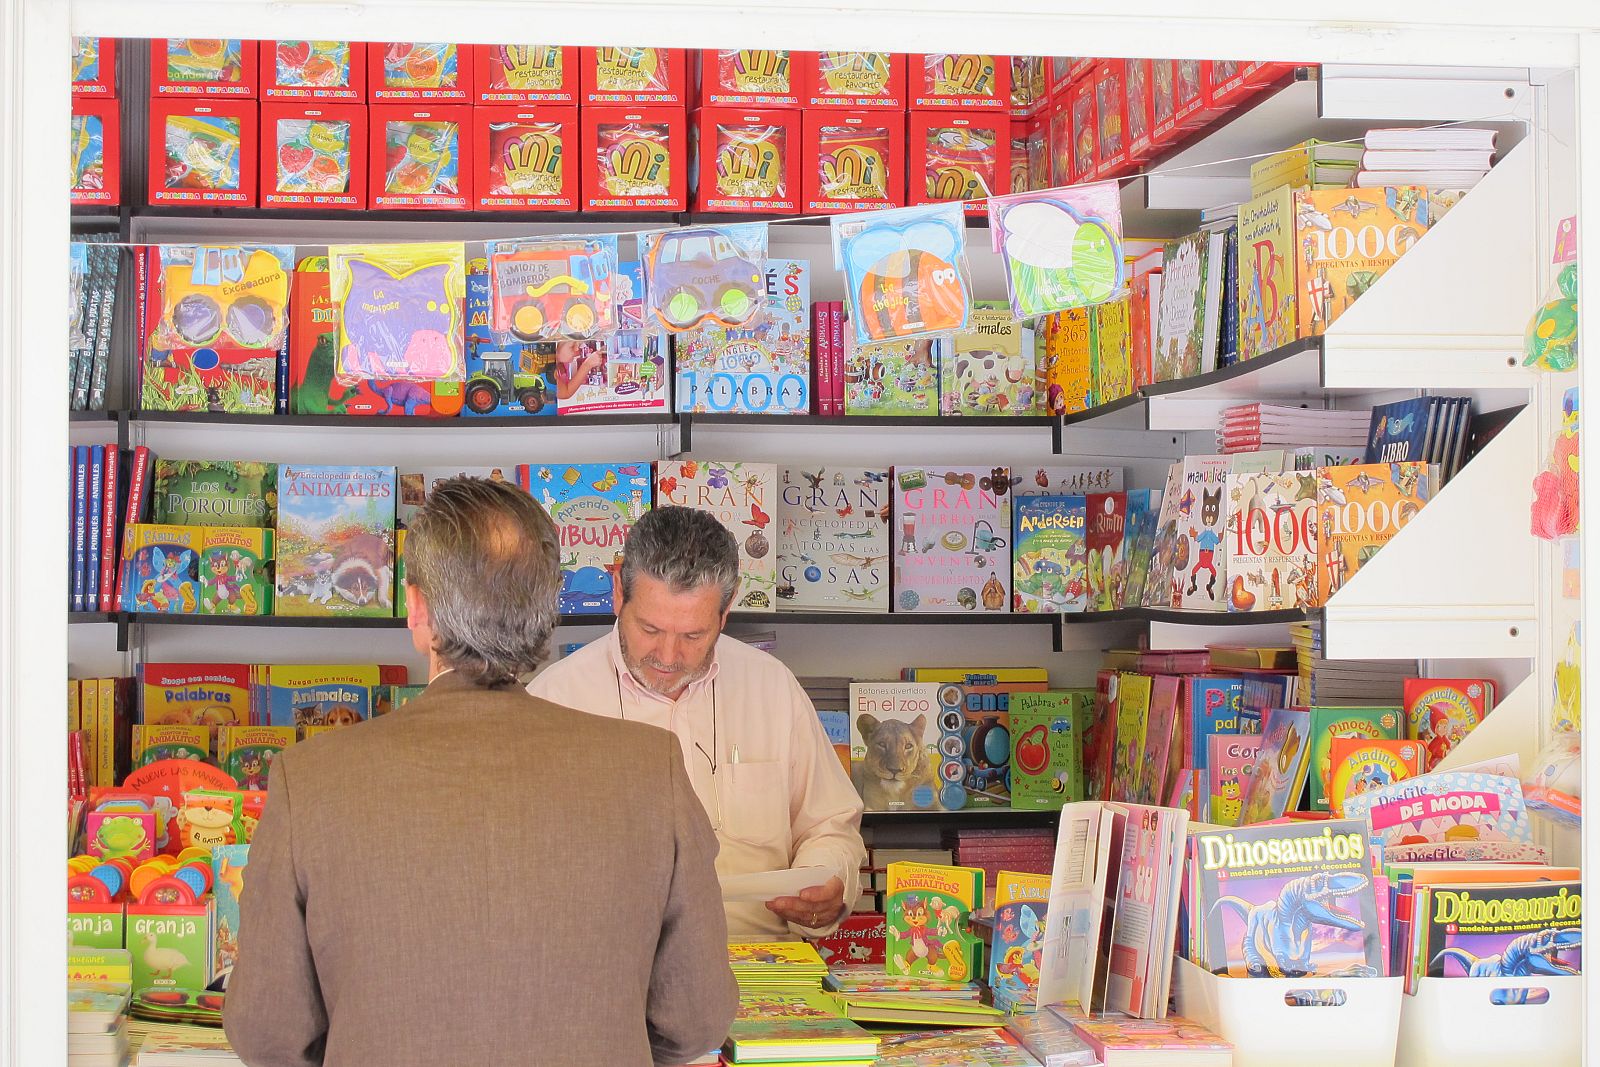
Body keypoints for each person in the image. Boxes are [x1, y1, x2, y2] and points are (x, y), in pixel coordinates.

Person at [225, 479, 736, 1067]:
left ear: (416, 609)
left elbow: (267, 1032)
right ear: (547, 613)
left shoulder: (308, 780)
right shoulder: (652, 770)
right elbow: (696, 1019)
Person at [529, 506, 866, 939]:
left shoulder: (771, 687)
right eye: (649, 629)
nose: (668, 657)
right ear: (618, 593)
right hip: (605, 976)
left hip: (754, 966)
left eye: (693, 636)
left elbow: (829, 824)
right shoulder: (553, 700)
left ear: (725, 613)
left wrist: (827, 878)